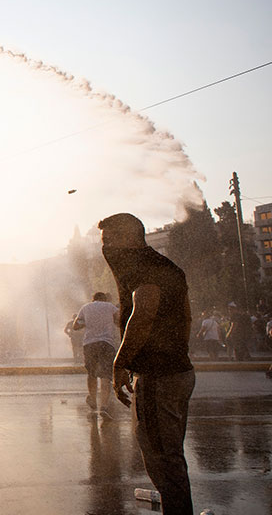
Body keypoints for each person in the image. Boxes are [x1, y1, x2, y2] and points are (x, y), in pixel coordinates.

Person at [100, 213, 195, 515]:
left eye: (109, 239)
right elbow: (187, 315)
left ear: (129, 237)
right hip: (178, 372)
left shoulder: (144, 266)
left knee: (162, 461)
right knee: (170, 457)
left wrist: (120, 363)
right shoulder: (169, 268)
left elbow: (143, 313)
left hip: (158, 377)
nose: (105, 247)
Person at [73, 292, 119, 418]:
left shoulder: (85, 307)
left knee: (91, 373)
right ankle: (104, 406)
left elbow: (75, 326)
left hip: (90, 344)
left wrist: (87, 322)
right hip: (106, 343)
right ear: (104, 299)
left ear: (93, 299)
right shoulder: (110, 307)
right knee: (106, 375)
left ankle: (93, 399)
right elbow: (119, 321)